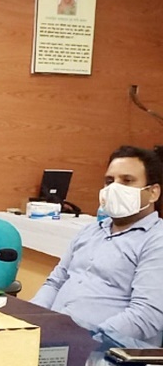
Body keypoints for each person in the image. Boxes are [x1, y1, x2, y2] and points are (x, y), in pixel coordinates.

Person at [31, 146, 163, 346]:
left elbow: (146, 314)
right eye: (109, 181)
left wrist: (88, 340)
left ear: (153, 193)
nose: (114, 188)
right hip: (54, 341)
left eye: (127, 181)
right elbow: (55, 283)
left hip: (106, 350)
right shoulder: (90, 231)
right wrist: (29, 321)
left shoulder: (156, 240)